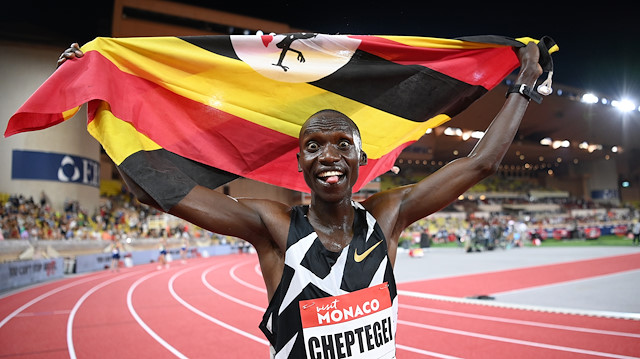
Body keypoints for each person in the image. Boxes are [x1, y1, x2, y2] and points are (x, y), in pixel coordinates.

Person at [59, 41, 543, 358]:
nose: (328, 155)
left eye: (341, 145)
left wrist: (523, 85)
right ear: (299, 163)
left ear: (360, 157)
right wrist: (98, 92)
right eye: (313, 146)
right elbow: (163, 191)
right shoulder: (272, 225)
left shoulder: (387, 216)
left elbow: (478, 164)